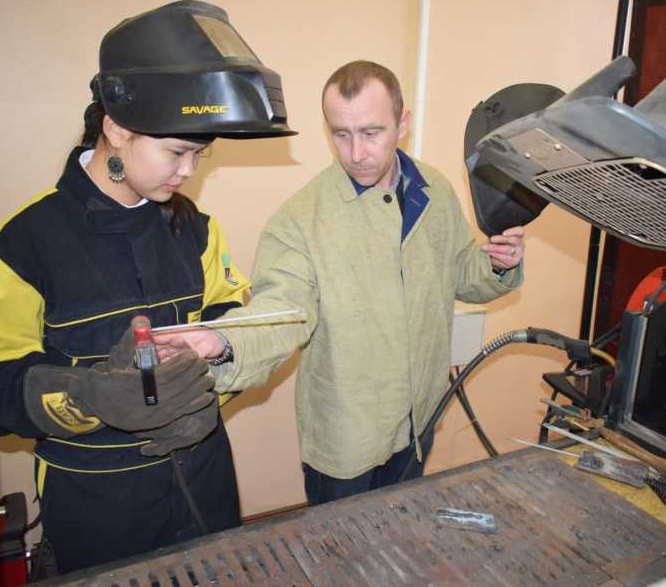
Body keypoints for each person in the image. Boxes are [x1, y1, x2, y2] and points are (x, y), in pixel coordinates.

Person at [0, 0, 295, 573]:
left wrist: (209, 391)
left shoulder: (197, 232)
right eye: (176, 152)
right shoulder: (24, 246)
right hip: (98, 508)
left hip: (205, 488)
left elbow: (233, 323)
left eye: (199, 154)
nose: (189, 171)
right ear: (116, 127)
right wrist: (85, 396)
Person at [155, 60, 525, 506]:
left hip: (420, 421)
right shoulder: (298, 221)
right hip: (347, 440)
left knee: (402, 536)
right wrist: (222, 341)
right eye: (341, 134)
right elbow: (282, 311)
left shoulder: (435, 191)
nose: (356, 153)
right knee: (343, 546)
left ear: (402, 124)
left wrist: (497, 265)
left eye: (371, 132)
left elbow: (462, 272)